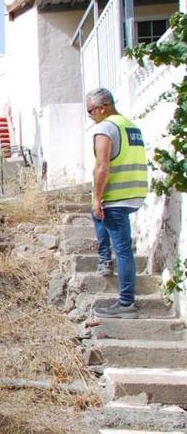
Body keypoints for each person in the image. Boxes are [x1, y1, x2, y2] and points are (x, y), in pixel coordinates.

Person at [86, 88, 148, 319]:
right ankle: (104, 259)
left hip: (117, 196)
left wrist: (96, 198)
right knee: (97, 218)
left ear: (103, 108)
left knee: (122, 249)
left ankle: (126, 303)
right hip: (135, 192)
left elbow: (102, 167)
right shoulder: (130, 126)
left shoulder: (105, 128)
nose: (90, 116)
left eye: (91, 110)